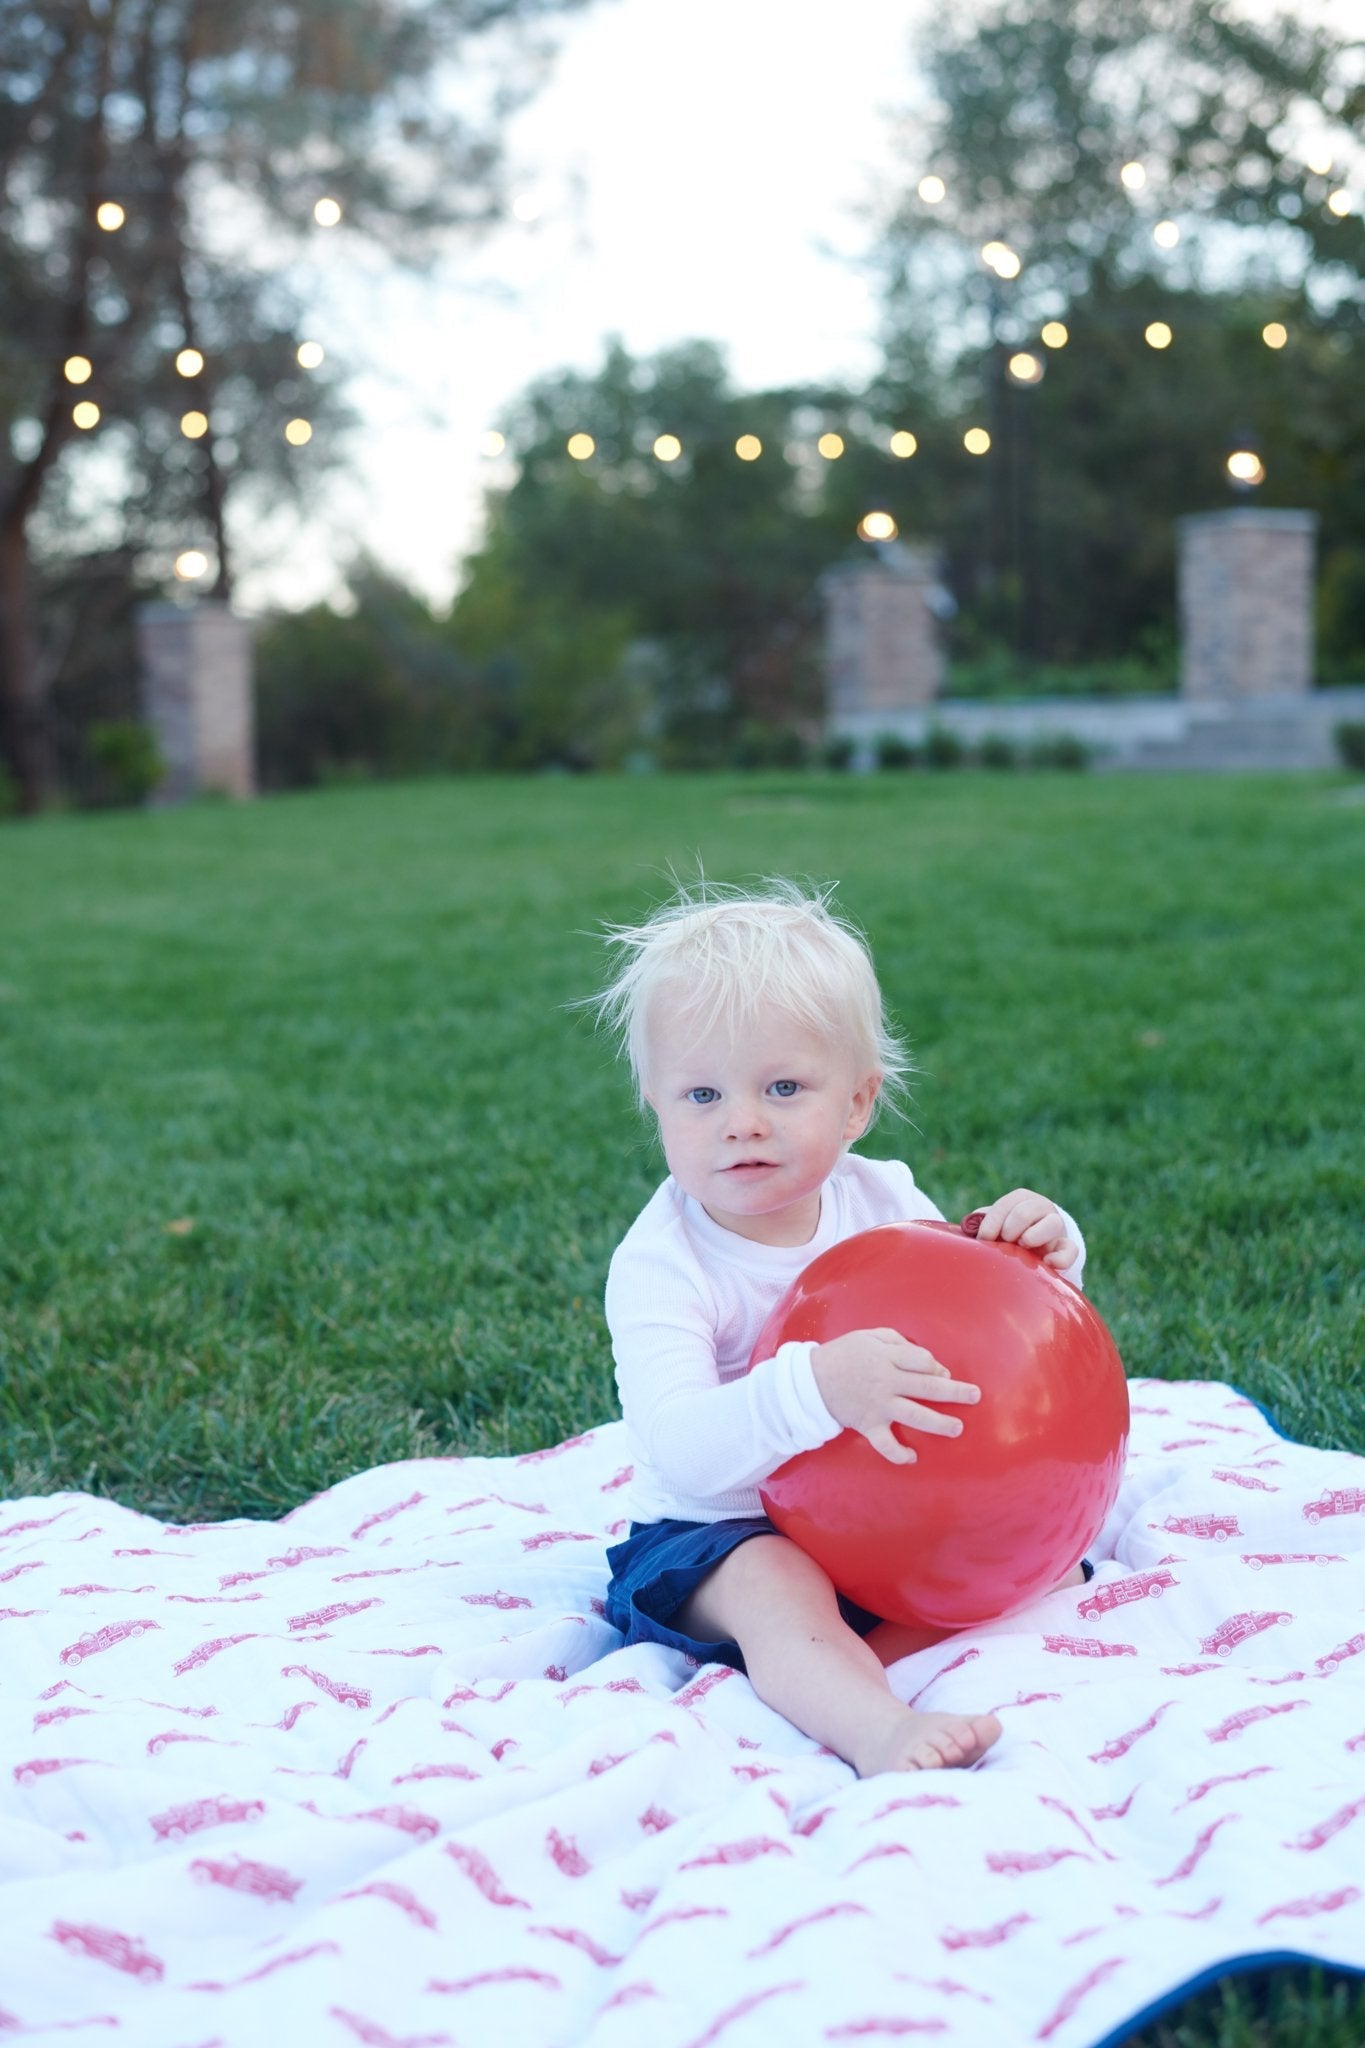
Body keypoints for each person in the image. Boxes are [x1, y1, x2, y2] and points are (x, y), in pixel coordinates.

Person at [592, 880, 1088, 1778]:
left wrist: (1042, 1257)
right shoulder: (663, 1265)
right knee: (782, 1591)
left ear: (856, 1104)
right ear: (655, 1104)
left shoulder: (883, 1199)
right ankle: (874, 1729)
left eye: (783, 1087)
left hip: (871, 1519)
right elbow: (683, 1450)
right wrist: (812, 1388)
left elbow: (977, 1333)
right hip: (716, 1536)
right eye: (700, 1094)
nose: (741, 1122)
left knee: (1045, 1557)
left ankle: (863, 1650)